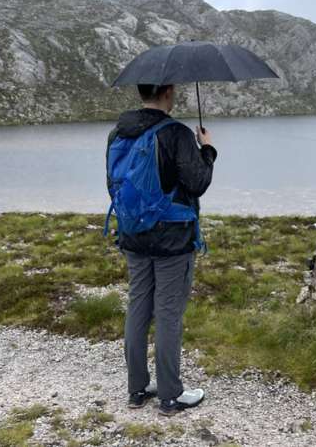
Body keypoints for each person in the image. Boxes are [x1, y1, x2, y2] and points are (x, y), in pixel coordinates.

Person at [105, 83, 216, 416]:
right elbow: (198, 183)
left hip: (133, 234)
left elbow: (113, 183)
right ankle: (170, 395)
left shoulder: (117, 133)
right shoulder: (177, 133)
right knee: (168, 313)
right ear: (167, 91)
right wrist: (207, 150)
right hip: (172, 241)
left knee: (138, 305)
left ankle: (137, 390)